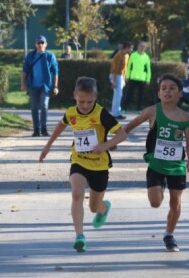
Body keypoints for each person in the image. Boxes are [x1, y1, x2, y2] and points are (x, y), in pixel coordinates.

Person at [39, 77, 127, 253]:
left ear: (95, 97)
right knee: (77, 194)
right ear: (74, 96)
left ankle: (103, 208)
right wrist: (47, 147)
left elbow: (122, 134)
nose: (85, 105)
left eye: (89, 101)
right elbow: (60, 125)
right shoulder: (71, 112)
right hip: (79, 161)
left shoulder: (101, 113)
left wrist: (105, 145)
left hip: (100, 166)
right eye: (81, 101)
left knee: (94, 206)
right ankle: (80, 236)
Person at [124, 74, 189, 252]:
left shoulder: (184, 117)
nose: (167, 91)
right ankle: (160, 185)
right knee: (155, 203)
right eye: (163, 88)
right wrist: (113, 141)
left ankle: (169, 235)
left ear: (180, 94)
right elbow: (130, 126)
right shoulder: (152, 111)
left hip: (177, 166)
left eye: (172, 88)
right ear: (158, 93)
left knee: (175, 202)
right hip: (156, 163)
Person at [22, 35, 59, 137]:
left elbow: (55, 72)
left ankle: (44, 128)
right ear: (35, 44)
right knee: (34, 107)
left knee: (44, 105)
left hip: (45, 86)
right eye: (38, 43)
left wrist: (55, 86)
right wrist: (23, 83)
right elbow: (25, 70)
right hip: (33, 85)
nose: (40, 45)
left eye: (42, 43)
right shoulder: (31, 56)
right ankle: (36, 129)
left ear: (46, 44)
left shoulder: (50, 56)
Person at [124, 41, 152, 111]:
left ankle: (138, 109)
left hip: (142, 78)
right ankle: (125, 108)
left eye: (144, 46)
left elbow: (148, 69)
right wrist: (127, 76)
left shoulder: (146, 57)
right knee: (129, 93)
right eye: (141, 46)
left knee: (141, 95)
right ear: (138, 47)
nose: (142, 48)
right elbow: (129, 66)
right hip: (133, 77)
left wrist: (148, 79)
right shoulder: (133, 55)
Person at [109, 41, 132, 120]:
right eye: (130, 48)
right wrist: (114, 81)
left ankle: (116, 112)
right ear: (126, 48)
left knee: (119, 95)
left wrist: (124, 78)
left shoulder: (127, 56)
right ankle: (116, 113)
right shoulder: (118, 55)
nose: (131, 49)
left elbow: (125, 68)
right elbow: (115, 69)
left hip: (121, 76)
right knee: (117, 95)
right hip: (116, 75)